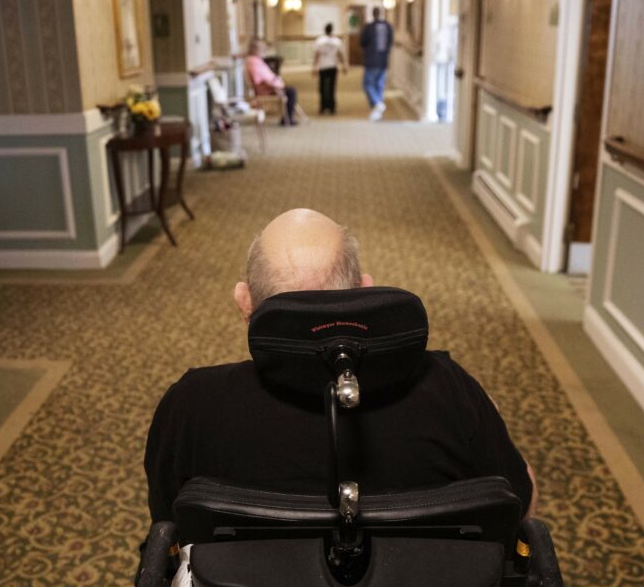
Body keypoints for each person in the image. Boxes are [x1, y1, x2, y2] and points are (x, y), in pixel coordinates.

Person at [144, 208, 537, 524]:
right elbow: (518, 506)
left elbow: (168, 524)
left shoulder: (192, 405)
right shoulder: (449, 389)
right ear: (364, 289)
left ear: (245, 303)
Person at [245, 38, 298, 126]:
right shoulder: (254, 62)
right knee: (291, 91)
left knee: (290, 89)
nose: (264, 50)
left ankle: (287, 117)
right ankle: (287, 119)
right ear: (255, 50)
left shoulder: (254, 60)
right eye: (262, 49)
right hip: (267, 89)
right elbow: (260, 80)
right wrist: (276, 85)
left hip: (270, 85)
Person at [360, 6, 393, 121]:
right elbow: (390, 43)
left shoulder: (369, 27)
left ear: (373, 14)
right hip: (383, 60)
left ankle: (377, 103)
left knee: (367, 84)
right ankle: (377, 112)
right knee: (379, 85)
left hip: (371, 60)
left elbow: (362, 42)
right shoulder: (388, 26)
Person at [312, 23, 348, 115]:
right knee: (332, 87)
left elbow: (317, 55)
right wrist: (344, 65)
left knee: (322, 87)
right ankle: (332, 107)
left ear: (325, 30)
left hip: (323, 66)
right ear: (332, 30)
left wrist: (314, 67)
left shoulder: (319, 40)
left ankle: (323, 107)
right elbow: (340, 54)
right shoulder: (337, 41)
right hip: (332, 66)